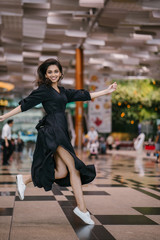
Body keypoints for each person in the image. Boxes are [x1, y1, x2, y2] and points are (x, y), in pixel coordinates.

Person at [0, 58, 117, 225]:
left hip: (62, 132)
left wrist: (106, 91)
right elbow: (25, 104)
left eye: (56, 71)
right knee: (75, 168)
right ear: (46, 75)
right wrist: (4, 116)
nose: (53, 74)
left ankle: (25, 179)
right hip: (52, 131)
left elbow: (84, 95)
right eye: (50, 72)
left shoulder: (63, 92)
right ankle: (82, 209)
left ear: (61, 73)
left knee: (62, 172)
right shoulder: (44, 90)